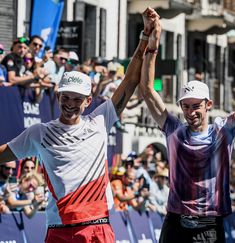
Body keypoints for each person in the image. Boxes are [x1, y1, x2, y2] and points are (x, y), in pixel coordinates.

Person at [0, 8, 160, 243]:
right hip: (59, 230)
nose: (70, 104)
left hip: (97, 229)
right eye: (66, 97)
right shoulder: (40, 133)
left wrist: (145, 36)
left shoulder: (100, 120)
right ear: (58, 96)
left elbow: (131, 80)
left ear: (88, 101)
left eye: (77, 99)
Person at [140, 23, 235, 242]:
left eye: (196, 105)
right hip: (175, 222)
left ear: (209, 104)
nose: (191, 112)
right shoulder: (174, 131)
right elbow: (148, 90)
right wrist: (152, 44)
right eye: (186, 106)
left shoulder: (223, 130)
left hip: (209, 225)